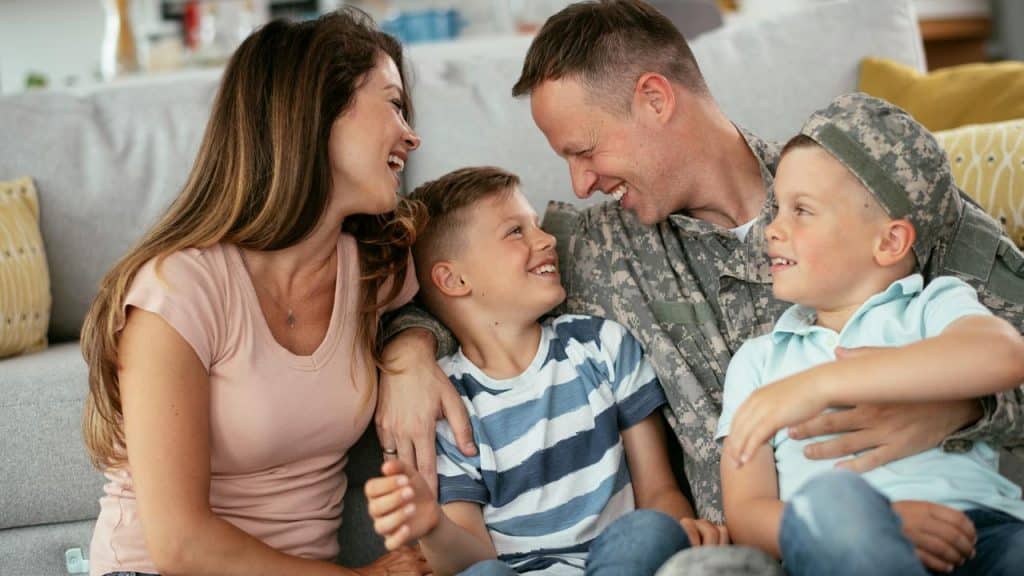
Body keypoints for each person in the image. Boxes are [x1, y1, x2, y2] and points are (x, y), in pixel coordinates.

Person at [375, 0, 1024, 573]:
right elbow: (477, 281)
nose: (579, 183)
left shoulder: (858, 191)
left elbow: (1009, 335)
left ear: (655, 99)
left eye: (585, 151)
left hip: (963, 520)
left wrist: (967, 408)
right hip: (760, 549)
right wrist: (408, 350)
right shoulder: (593, 246)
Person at [80, 10, 430, 576]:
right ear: (317, 111)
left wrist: (413, 349)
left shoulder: (374, 269)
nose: (411, 135)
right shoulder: (180, 290)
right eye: (392, 104)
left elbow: (446, 295)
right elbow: (179, 544)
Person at [717, 93, 1024, 576]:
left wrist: (820, 384)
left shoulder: (932, 305)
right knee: (833, 501)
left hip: (978, 534)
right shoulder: (757, 362)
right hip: (843, 543)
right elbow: (747, 512)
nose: (771, 228)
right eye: (777, 208)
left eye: (802, 210)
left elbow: (1003, 355)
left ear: (889, 242)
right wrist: (877, 524)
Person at [366, 167, 728, 576]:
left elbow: (659, 489)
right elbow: (471, 559)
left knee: (649, 531)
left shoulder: (602, 346)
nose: (547, 239)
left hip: (618, 563)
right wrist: (431, 526)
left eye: (536, 225)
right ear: (453, 278)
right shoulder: (447, 403)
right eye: (515, 232)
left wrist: (683, 533)